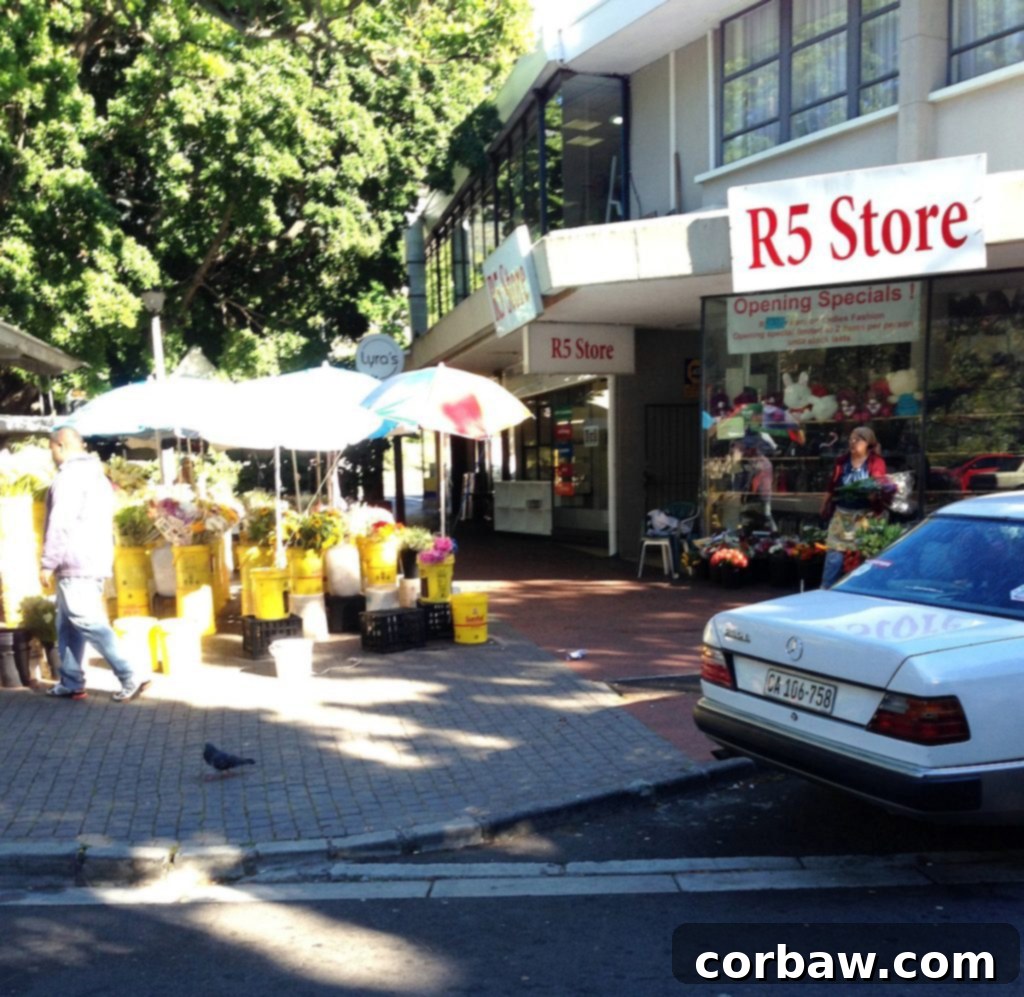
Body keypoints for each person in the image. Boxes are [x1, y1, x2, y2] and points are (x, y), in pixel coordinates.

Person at [39, 426, 150, 702]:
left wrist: (47, 562)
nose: (51, 454)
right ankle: (71, 680)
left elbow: (60, 522)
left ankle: (131, 673)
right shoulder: (96, 475)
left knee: (86, 620)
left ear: (60, 446)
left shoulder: (69, 477)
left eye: (51, 448)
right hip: (93, 557)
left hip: (75, 560)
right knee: (68, 623)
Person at [819, 425, 888, 589]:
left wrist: (874, 495)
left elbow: (880, 486)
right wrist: (824, 504)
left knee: (864, 553)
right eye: (851, 438)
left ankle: (861, 588)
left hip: (866, 515)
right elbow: (832, 485)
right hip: (842, 513)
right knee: (834, 552)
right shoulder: (842, 461)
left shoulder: (876, 462)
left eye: (858, 439)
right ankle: (826, 588)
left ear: (868, 443)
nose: (853, 442)